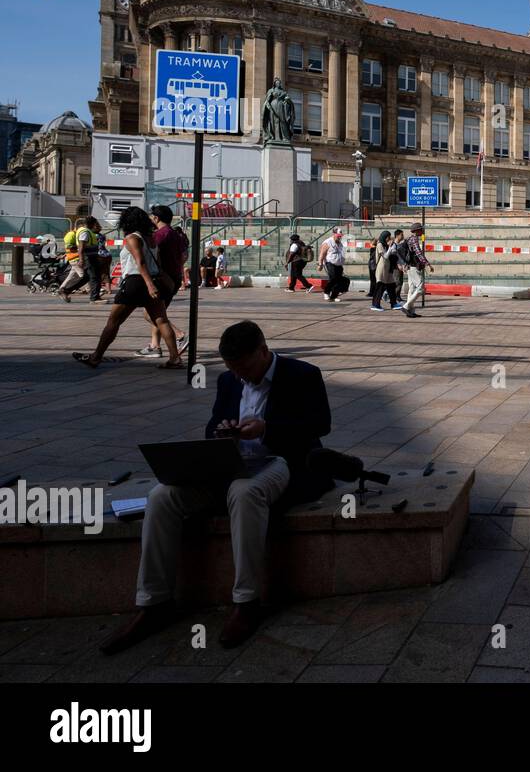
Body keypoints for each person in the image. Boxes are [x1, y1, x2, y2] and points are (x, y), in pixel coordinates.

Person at [99, 321, 336, 654]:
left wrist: (266, 429)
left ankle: (246, 602)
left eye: (247, 368)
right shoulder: (228, 380)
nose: (242, 376)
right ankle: (154, 602)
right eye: (234, 370)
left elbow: (319, 424)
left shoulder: (303, 374)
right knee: (162, 495)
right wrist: (222, 431)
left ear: (264, 351)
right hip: (231, 464)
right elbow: (213, 424)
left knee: (244, 492)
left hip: (280, 462)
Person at [73, 206, 182, 370]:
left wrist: (149, 285)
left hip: (135, 282)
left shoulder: (133, 238)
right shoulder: (150, 238)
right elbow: (157, 264)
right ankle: (174, 358)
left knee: (113, 322)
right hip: (151, 280)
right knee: (161, 320)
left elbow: (140, 263)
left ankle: (96, 357)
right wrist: (155, 283)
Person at [136, 206, 189, 359]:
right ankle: (155, 345)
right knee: (159, 310)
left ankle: (179, 335)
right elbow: (184, 255)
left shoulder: (159, 235)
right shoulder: (175, 234)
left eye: (151, 217)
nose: (150, 219)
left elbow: (150, 256)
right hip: (174, 277)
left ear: (156, 218)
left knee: (150, 313)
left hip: (163, 278)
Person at [58, 217, 104, 303]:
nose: (96, 225)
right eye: (95, 223)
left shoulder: (87, 231)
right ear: (92, 224)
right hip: (88, 258)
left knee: (86, 278)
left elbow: (97, 231)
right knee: (94, 277)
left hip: (90, 257)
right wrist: (81, 260)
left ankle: (65, 290)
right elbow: (81, 247)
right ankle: (95, 298)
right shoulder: (84, 232)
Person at [400, 224, 429, 318]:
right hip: (413, 267)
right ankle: (406, 306)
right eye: (421, 229)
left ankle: (410, 311)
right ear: (416, 231)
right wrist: (427, 263)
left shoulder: (409, 239)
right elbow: (418, 253)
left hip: (409, 266)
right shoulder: (414, 239)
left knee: (412, 289)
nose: (422, 231)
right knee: (421, 288)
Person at [372, 230, 400, 312]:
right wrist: (390, 248)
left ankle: (394, 303)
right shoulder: (380, 244)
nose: (389, 238)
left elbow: (393, 253)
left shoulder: (386, 244)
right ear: (384, 236)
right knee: (380, 286)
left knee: (391, 285)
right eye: (388, 236)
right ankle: (375, 304)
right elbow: (386, 256)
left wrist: (392, 247)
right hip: (382, 268)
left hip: (388, 268)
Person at [317, 228, 347, 302]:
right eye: (338, 235)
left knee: (338, 280)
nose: (340, 237)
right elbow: (322, 254)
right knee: (333, 277)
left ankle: (334, 296)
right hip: (330, 263)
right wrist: (320, 264)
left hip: (338, 264)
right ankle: (326, 291)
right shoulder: (328, 242)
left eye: (340, 236)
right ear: (334, 234)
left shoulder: (340, 243)